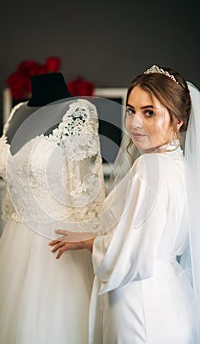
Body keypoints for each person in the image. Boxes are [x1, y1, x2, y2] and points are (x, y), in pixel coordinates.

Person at [50, 65, 200, 343]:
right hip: (168, 299)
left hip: (137, 302)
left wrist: (88, 242)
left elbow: (129, 254)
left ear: (178, 120)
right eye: (131, 110)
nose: (135, 123)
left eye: (149, 112)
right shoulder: (181, 166)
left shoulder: (149, 168)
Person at [0, 72, 105, 343]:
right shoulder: (18, 110)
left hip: (57, 246)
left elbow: (85, 189)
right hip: (14, 246)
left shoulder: (78, 112)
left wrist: (95, 244)